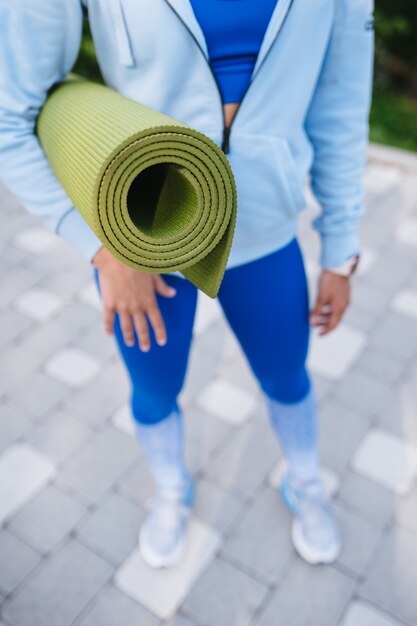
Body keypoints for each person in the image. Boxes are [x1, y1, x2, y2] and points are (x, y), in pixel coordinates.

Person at [0, 0, 374, 567]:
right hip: (143, 240)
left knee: (286, 373)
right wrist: (103, 249)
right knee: (153, 388)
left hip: (267, 228)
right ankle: (171, 488)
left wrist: (340, 248)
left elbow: (341, 105)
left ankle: (305, 480)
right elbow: (14, 115)